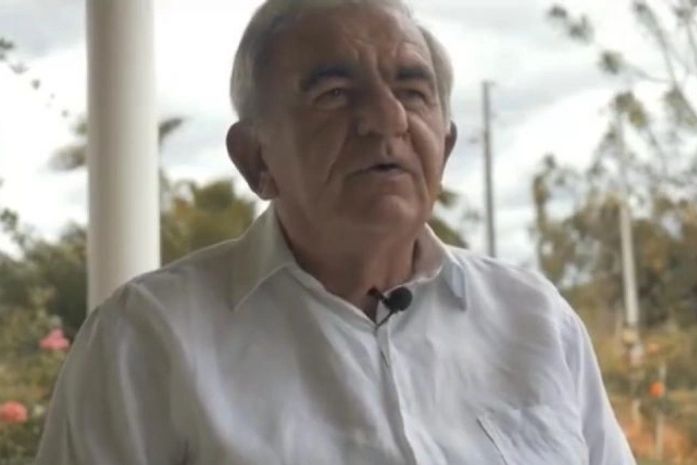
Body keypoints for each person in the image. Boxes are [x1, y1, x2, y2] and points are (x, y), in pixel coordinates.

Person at [35, 0, 637, 464]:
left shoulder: (536, 322)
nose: (387, 119)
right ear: (256, 159)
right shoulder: (146, 339)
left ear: (446, 146)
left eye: (412, 91)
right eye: (333, 94)